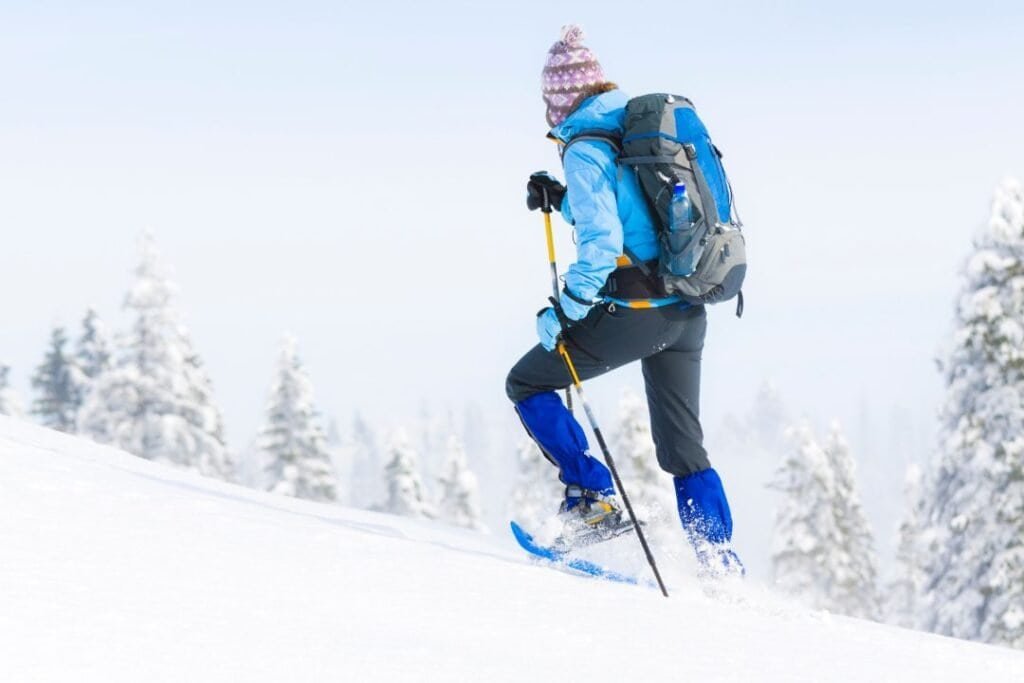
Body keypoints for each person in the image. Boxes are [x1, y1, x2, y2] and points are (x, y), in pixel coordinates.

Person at [505, 25, 743, 576]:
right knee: (685, 448)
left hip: (637, 313)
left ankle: (591, 501)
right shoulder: (634, 133)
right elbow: (639, 223)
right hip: (687, 309)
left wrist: (566, 309)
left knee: (528, 382)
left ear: (559, 98)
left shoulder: (586, 148)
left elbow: (603, 246)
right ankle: (719, 563)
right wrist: (564, 201)